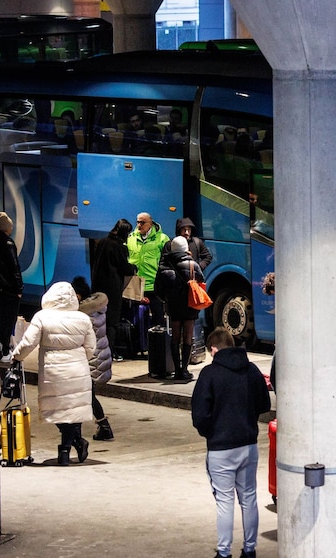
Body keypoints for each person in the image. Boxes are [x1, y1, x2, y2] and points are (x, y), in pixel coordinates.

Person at [191, 328, 271, 558]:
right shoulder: (252, 370)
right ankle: (249, 549)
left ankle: (224, 552)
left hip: (221, 448)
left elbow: (200, 416)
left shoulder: (209, 374)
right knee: (249, 498)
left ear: (213, 349)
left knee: (225, 502)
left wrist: (211, 433)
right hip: (248, 445)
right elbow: (264, 404)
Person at [9, 281, 96, 466]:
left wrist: (17, 357)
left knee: (57, 410)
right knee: (72, 410)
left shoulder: (42, 317)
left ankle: (67, 448)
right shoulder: (83, 319)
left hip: (52, 369)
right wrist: (79, 358)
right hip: (78, 367)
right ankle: (74, 444)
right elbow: (91, 348)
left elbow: (28, 342)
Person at [155, 236, 205, 382]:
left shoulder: (164, 265)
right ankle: (185, 370)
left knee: (175, 337)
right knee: (188, 337)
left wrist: (166, 299)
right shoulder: (192, 265)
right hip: (190, 305)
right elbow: (201, 280)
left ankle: (176, 370)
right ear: (185, 248)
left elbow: (158, 290)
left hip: (173, 306)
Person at [72, 277, 114, 442]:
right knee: (87, 395)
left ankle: (98, 428)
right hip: (99, 357)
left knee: (86, 395)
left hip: (90, 360)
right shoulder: (97, 309)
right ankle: (102, 427)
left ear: (79, 296)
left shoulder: (83, 315)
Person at [92, 218, 137, 361]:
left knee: (99, 321)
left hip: (98, 287)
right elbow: (125, 268)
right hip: (112, 289)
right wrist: (134, 268)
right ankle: (110, 352)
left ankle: (98, 351)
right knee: (112, 322)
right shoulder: (119, 247)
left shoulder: (102, 242)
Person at [127, 212, 170, 327]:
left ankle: (157, 344)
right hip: (135, 284)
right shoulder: (131, 238)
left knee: (158, 319)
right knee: (136, 320)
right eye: (138, 222)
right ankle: (139, 344)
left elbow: (168, 260)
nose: (139, 225)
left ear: (150, 224)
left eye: (142, 222)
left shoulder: (162, 238)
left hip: (154, 284)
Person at [0, 211, 23, 357]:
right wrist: (19, 288)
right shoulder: (8, 243)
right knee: (8, 320)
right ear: (6, 228)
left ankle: (0, 347)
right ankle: (5, 350)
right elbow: (15, 268)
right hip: (9, 291)